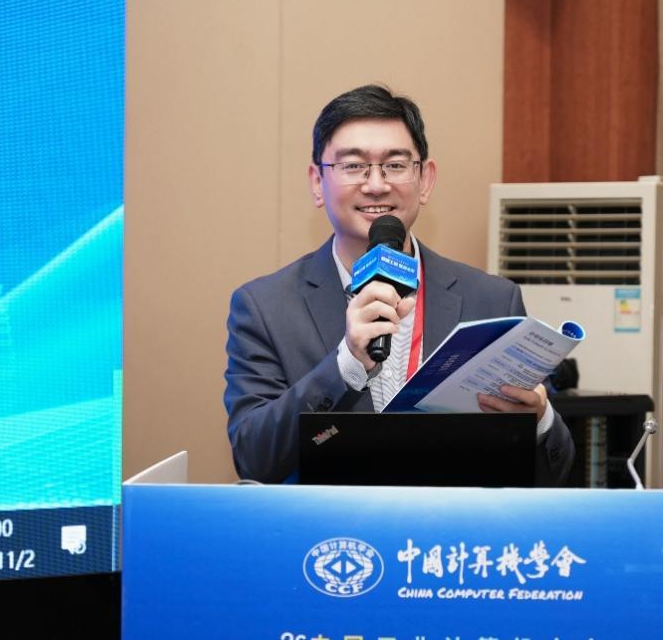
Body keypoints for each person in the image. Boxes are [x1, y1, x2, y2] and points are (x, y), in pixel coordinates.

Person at [224, 84, 574, 485]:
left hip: (450, 523)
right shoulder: (265, 307)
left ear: (425, 180)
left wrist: (540, 420)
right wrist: (346, 364)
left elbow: (554, 476)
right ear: (317, 183)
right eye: (353, 166)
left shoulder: (493, 300)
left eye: (394, 165)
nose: (376, 184)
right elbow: (254, 460)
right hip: (331, 524)